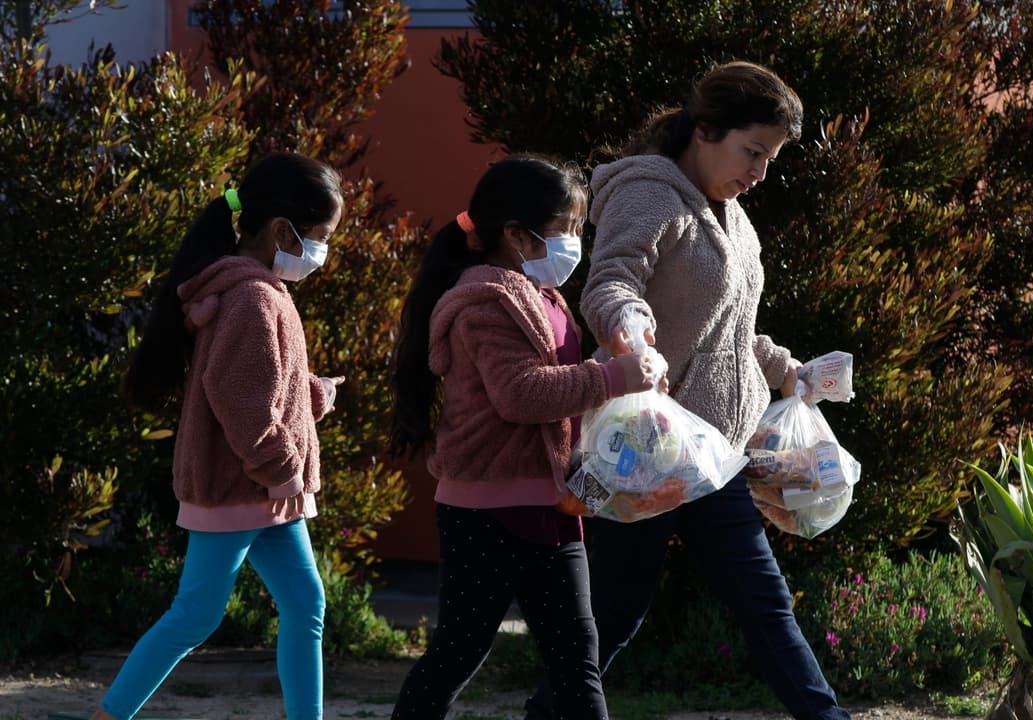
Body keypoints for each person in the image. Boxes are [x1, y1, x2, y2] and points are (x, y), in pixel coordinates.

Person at [525, 61, 850, 720]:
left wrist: (791, 373)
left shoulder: (734, 219)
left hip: (714, 455)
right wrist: (630, 328)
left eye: (770, 158)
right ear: (705, 130)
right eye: (752, 151)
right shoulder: (651, 194)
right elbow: (610, 283)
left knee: (764, 605)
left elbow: (734, 335)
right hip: (645, 446)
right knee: (616, 612)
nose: (760, 170)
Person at [387, 155, 663, 720]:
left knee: (578, 655)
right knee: (460, 650)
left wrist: (616, 363)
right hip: (485, 511)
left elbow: (561, 387)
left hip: (551, 504)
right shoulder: (485, 301)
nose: (572, 244)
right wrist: (613, 376)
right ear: (515, 234)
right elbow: (521, 394)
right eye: (564, 229)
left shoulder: (543, 297)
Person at [93, 152, 344, 720]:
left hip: (263, 494)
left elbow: (260, 384)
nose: (324, 251)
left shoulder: (260, 292)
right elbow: (244, 406)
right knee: (196, 615)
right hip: (241, 491)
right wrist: (283, 467)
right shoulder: (254, 298)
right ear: (284, 230)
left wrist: (311, 394)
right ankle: (107, 717)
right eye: (322, 237)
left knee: (306, 604)